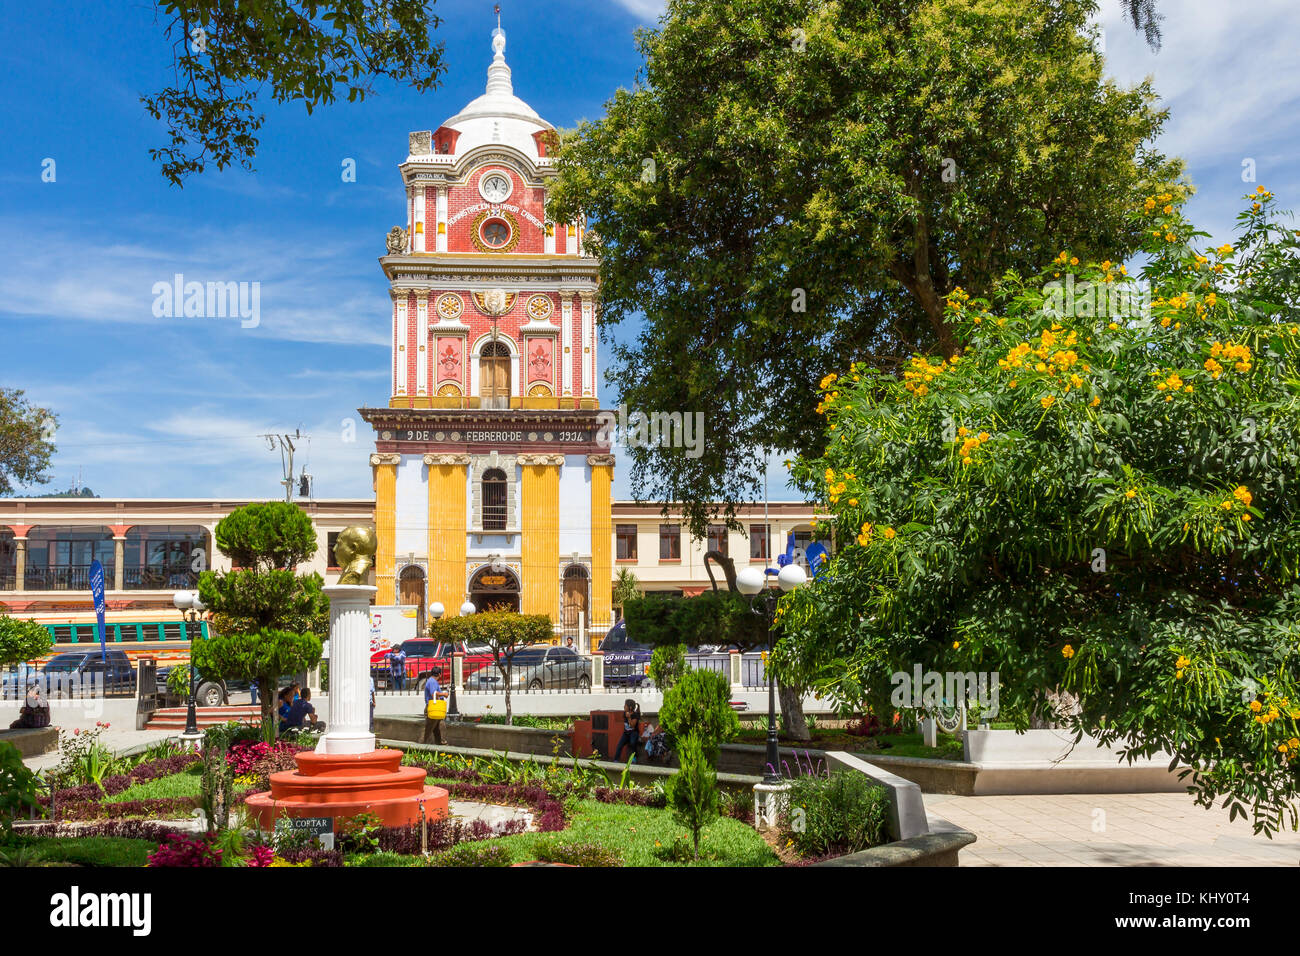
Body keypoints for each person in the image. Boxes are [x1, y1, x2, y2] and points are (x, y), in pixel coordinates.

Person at [613, 698, 641, 762]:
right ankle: (616, 760)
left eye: (625, 705)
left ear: (630, 707)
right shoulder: (624, 713)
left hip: (634, 733)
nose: (624, 707)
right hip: (626, 733)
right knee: (619, 745)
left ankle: (634, 758)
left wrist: (629, 718)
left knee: (632, 743)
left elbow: (632, 726)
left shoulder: (635, 715)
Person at [423, 670, 446, 744]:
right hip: (433, 708)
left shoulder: (431, 681)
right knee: (429, 728)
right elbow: (434, 694)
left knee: (436, 727)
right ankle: (423, 744)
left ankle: (439, 742)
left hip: (434, 708)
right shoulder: (432, 682)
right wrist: (444, 694)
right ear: (439, 674)